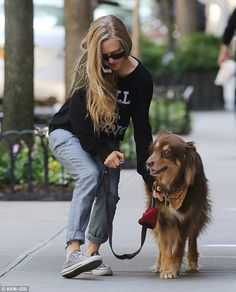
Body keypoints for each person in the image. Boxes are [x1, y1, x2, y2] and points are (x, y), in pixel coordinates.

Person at [48, 15, 154, 278]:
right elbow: (79, 120)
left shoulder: (141, 79)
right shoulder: (90, 68)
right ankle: (73, 252)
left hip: (106, 143)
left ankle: (91, 255)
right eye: (104, 57)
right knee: (90, 174)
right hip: (68, 134)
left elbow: (142, 130)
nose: (111, 62)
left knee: (110, 194)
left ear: (126, 46)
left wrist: (151, 178)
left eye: (116, 54)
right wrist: (104, 152)